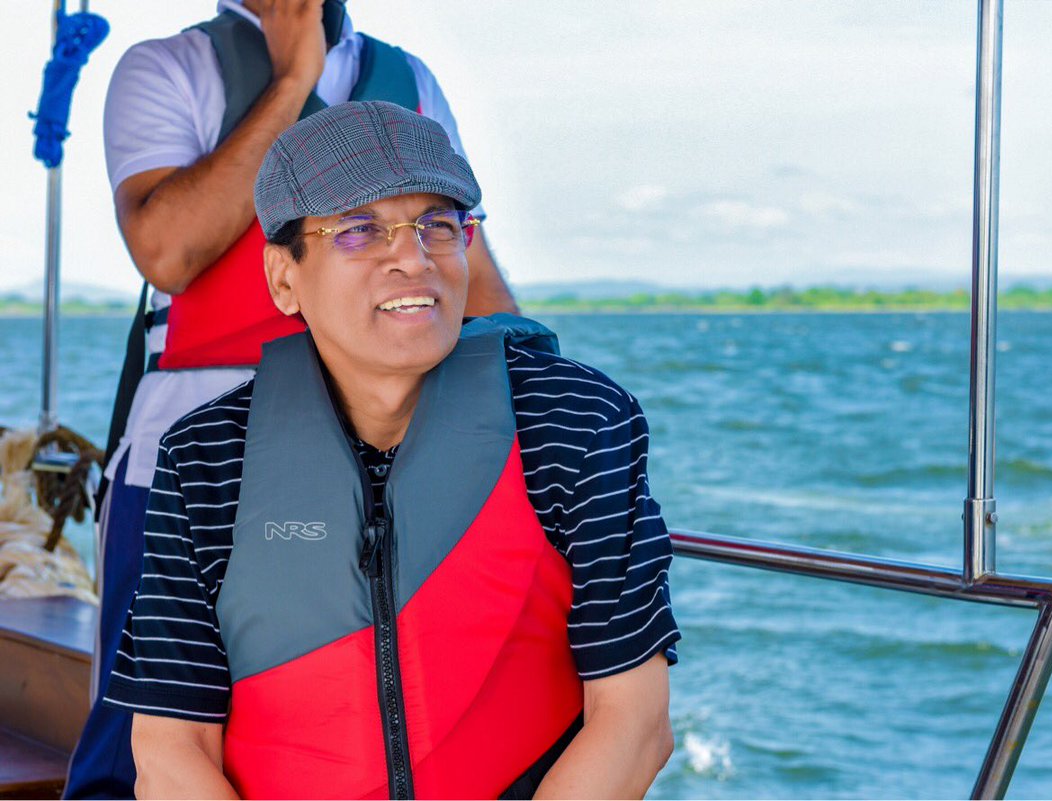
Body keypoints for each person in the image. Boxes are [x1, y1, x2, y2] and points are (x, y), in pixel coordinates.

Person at [102, 100, 679, 799]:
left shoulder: (573, 420)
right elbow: (170, 745)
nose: (413, 257)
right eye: (358, 230)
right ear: (284, 277)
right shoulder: (207, 458)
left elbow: (634, 722)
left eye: (439, 225)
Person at [67, 2, 517, 797]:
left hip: (384, 456)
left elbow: (466, 273)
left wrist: (544, 413)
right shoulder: (170, 68)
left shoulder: (410, 82)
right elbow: (167, 250)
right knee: (137, 742)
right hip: (190, 464)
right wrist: (292, 80)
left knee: (357, 724)